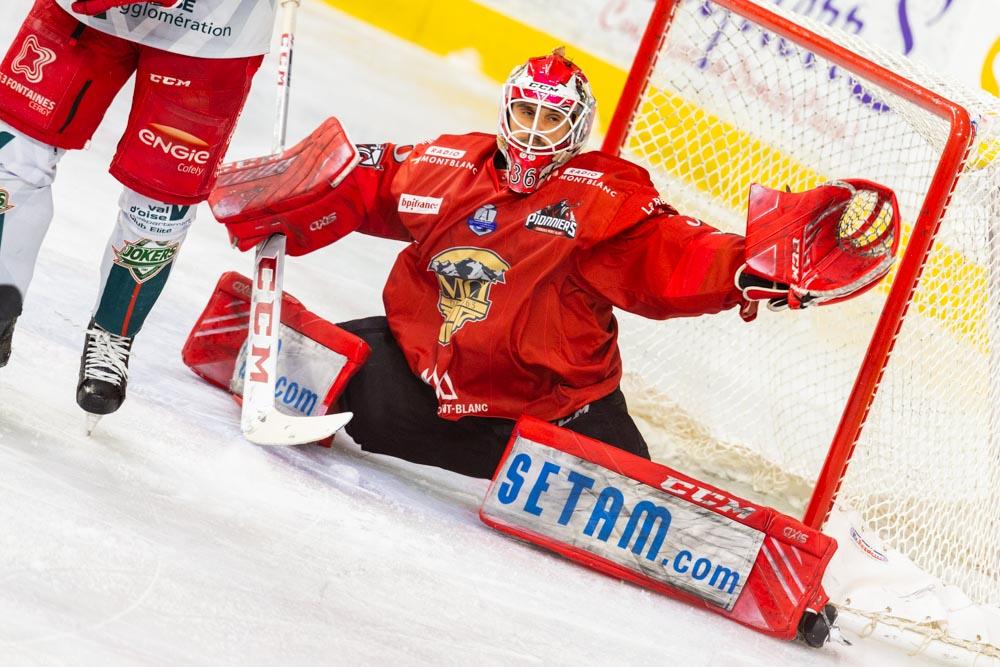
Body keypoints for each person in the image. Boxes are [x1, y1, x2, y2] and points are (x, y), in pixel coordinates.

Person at [210, 48, 898, 478]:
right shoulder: (448, 164)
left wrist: (747, 265)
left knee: (633, 495)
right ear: (507, 112)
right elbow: (372, 180)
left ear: (577, 129)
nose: (535, 133)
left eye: (552, 121)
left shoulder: (601, 198)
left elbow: (670, 254)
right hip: (418, 384)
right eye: (526, 115)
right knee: (289, 357)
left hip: (548, 417)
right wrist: (304, 189)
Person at [0, 0, 275, 422]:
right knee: (12, 158)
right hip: (84, 18)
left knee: (162, 203)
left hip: (213, 33)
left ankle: (113, 332)